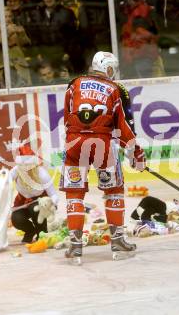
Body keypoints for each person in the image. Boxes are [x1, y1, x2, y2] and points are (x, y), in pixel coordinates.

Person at [59, 51, 146, 264]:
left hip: (74, 145)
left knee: (74, 194)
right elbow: (122, 127)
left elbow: (67, 117)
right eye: (113, 70)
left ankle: (75, 246)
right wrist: (136, 152)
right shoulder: (114, 90)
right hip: (101, 146)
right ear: (108, 69)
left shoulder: (74, 84)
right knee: (114, 189)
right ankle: (117, 241)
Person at [10, 143, 59, 243]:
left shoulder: (42, 174)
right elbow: (4, 182)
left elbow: (53, 194)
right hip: (22, 201)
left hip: (40, 201)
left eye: (27, 166)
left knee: (35, 209)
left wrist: (51, 205)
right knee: (16, 218)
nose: (24, 168)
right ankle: (30, 231)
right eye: (22, 165)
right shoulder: (16, 170)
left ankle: (42, 232)